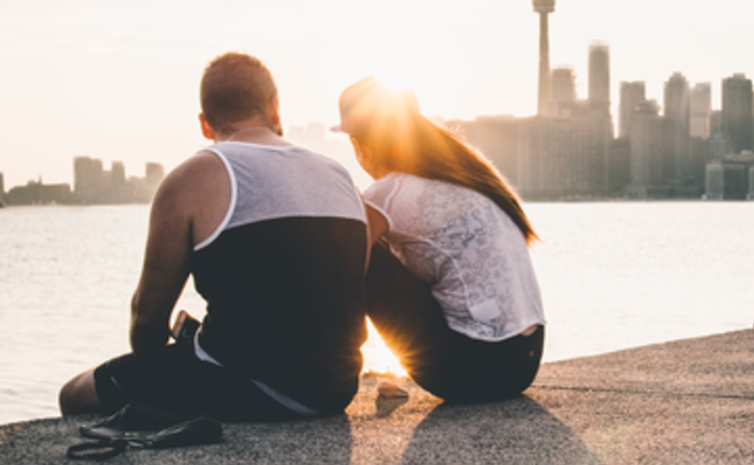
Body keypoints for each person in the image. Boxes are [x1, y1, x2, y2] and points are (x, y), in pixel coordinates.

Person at [59, 52, 369, 421]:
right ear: (275, 107)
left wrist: (157, 369)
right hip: (336, 389)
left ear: (206, 125)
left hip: (247, 386)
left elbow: (147, 320)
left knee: (74, 394)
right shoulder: (339, 175)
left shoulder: (192, 178)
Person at [334, 77, 545, 403]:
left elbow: (345, 273)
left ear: (361, 146)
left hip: (472, 368)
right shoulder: (467, 177)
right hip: (524, 360)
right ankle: (383, 370)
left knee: (355, 249)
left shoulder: (387, 195)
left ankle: (331, 368)